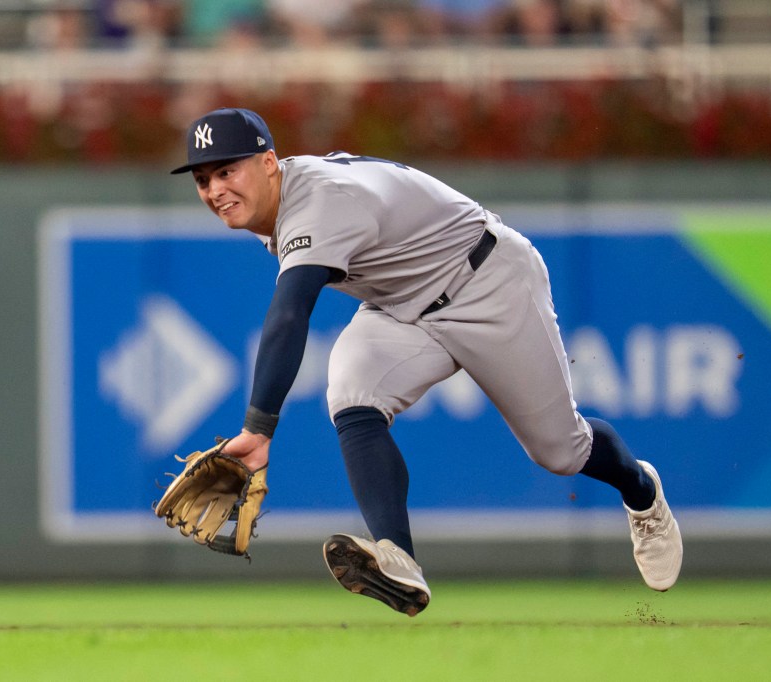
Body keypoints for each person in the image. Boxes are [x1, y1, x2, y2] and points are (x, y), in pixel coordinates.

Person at [170, 107, 683, 617]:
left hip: (486, 282)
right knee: (352, 392)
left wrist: (258, 429)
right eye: (203, 178)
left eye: (227, 170)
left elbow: (289, 316)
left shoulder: (316, 201)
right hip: (402, 309)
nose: (215, 189)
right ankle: (397, 558)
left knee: (561, 451)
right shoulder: (274, 206)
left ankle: (641, 490)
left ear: (268, 162)